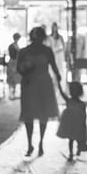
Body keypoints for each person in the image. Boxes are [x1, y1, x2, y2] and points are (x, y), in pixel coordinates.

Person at [17, 26, 60, 157]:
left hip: (44, 83)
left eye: (39, 38)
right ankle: (30, 143)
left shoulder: (47, 51)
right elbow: (19, 68)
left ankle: (41, 142)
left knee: (43, 112)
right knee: (29, 113)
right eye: (36, 38)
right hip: (29, 83)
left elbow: (53, 66)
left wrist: (58, 77)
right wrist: (25, 70)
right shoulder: (24, 51)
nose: (38, 40)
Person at [56, 82, 87, 161]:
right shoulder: (69, 101)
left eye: (74, 90)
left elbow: (84, 116)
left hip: (78, 125)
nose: (72, 92)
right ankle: (71, 153)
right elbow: (61, 92)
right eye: (71, 90)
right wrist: (59, 83)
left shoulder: (82, 104)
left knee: (78, 138)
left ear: (79, 92)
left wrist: (83, 125)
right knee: (71, 139)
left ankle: (78, 148)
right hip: (70, 124)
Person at [7, 33, 22, 99]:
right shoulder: (12, 46)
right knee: (12, 78)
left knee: (15, 78)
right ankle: (11, 94)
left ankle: (13, 93)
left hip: (15, 62)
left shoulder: (16, 45)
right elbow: (14, 55)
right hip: (13, 62)